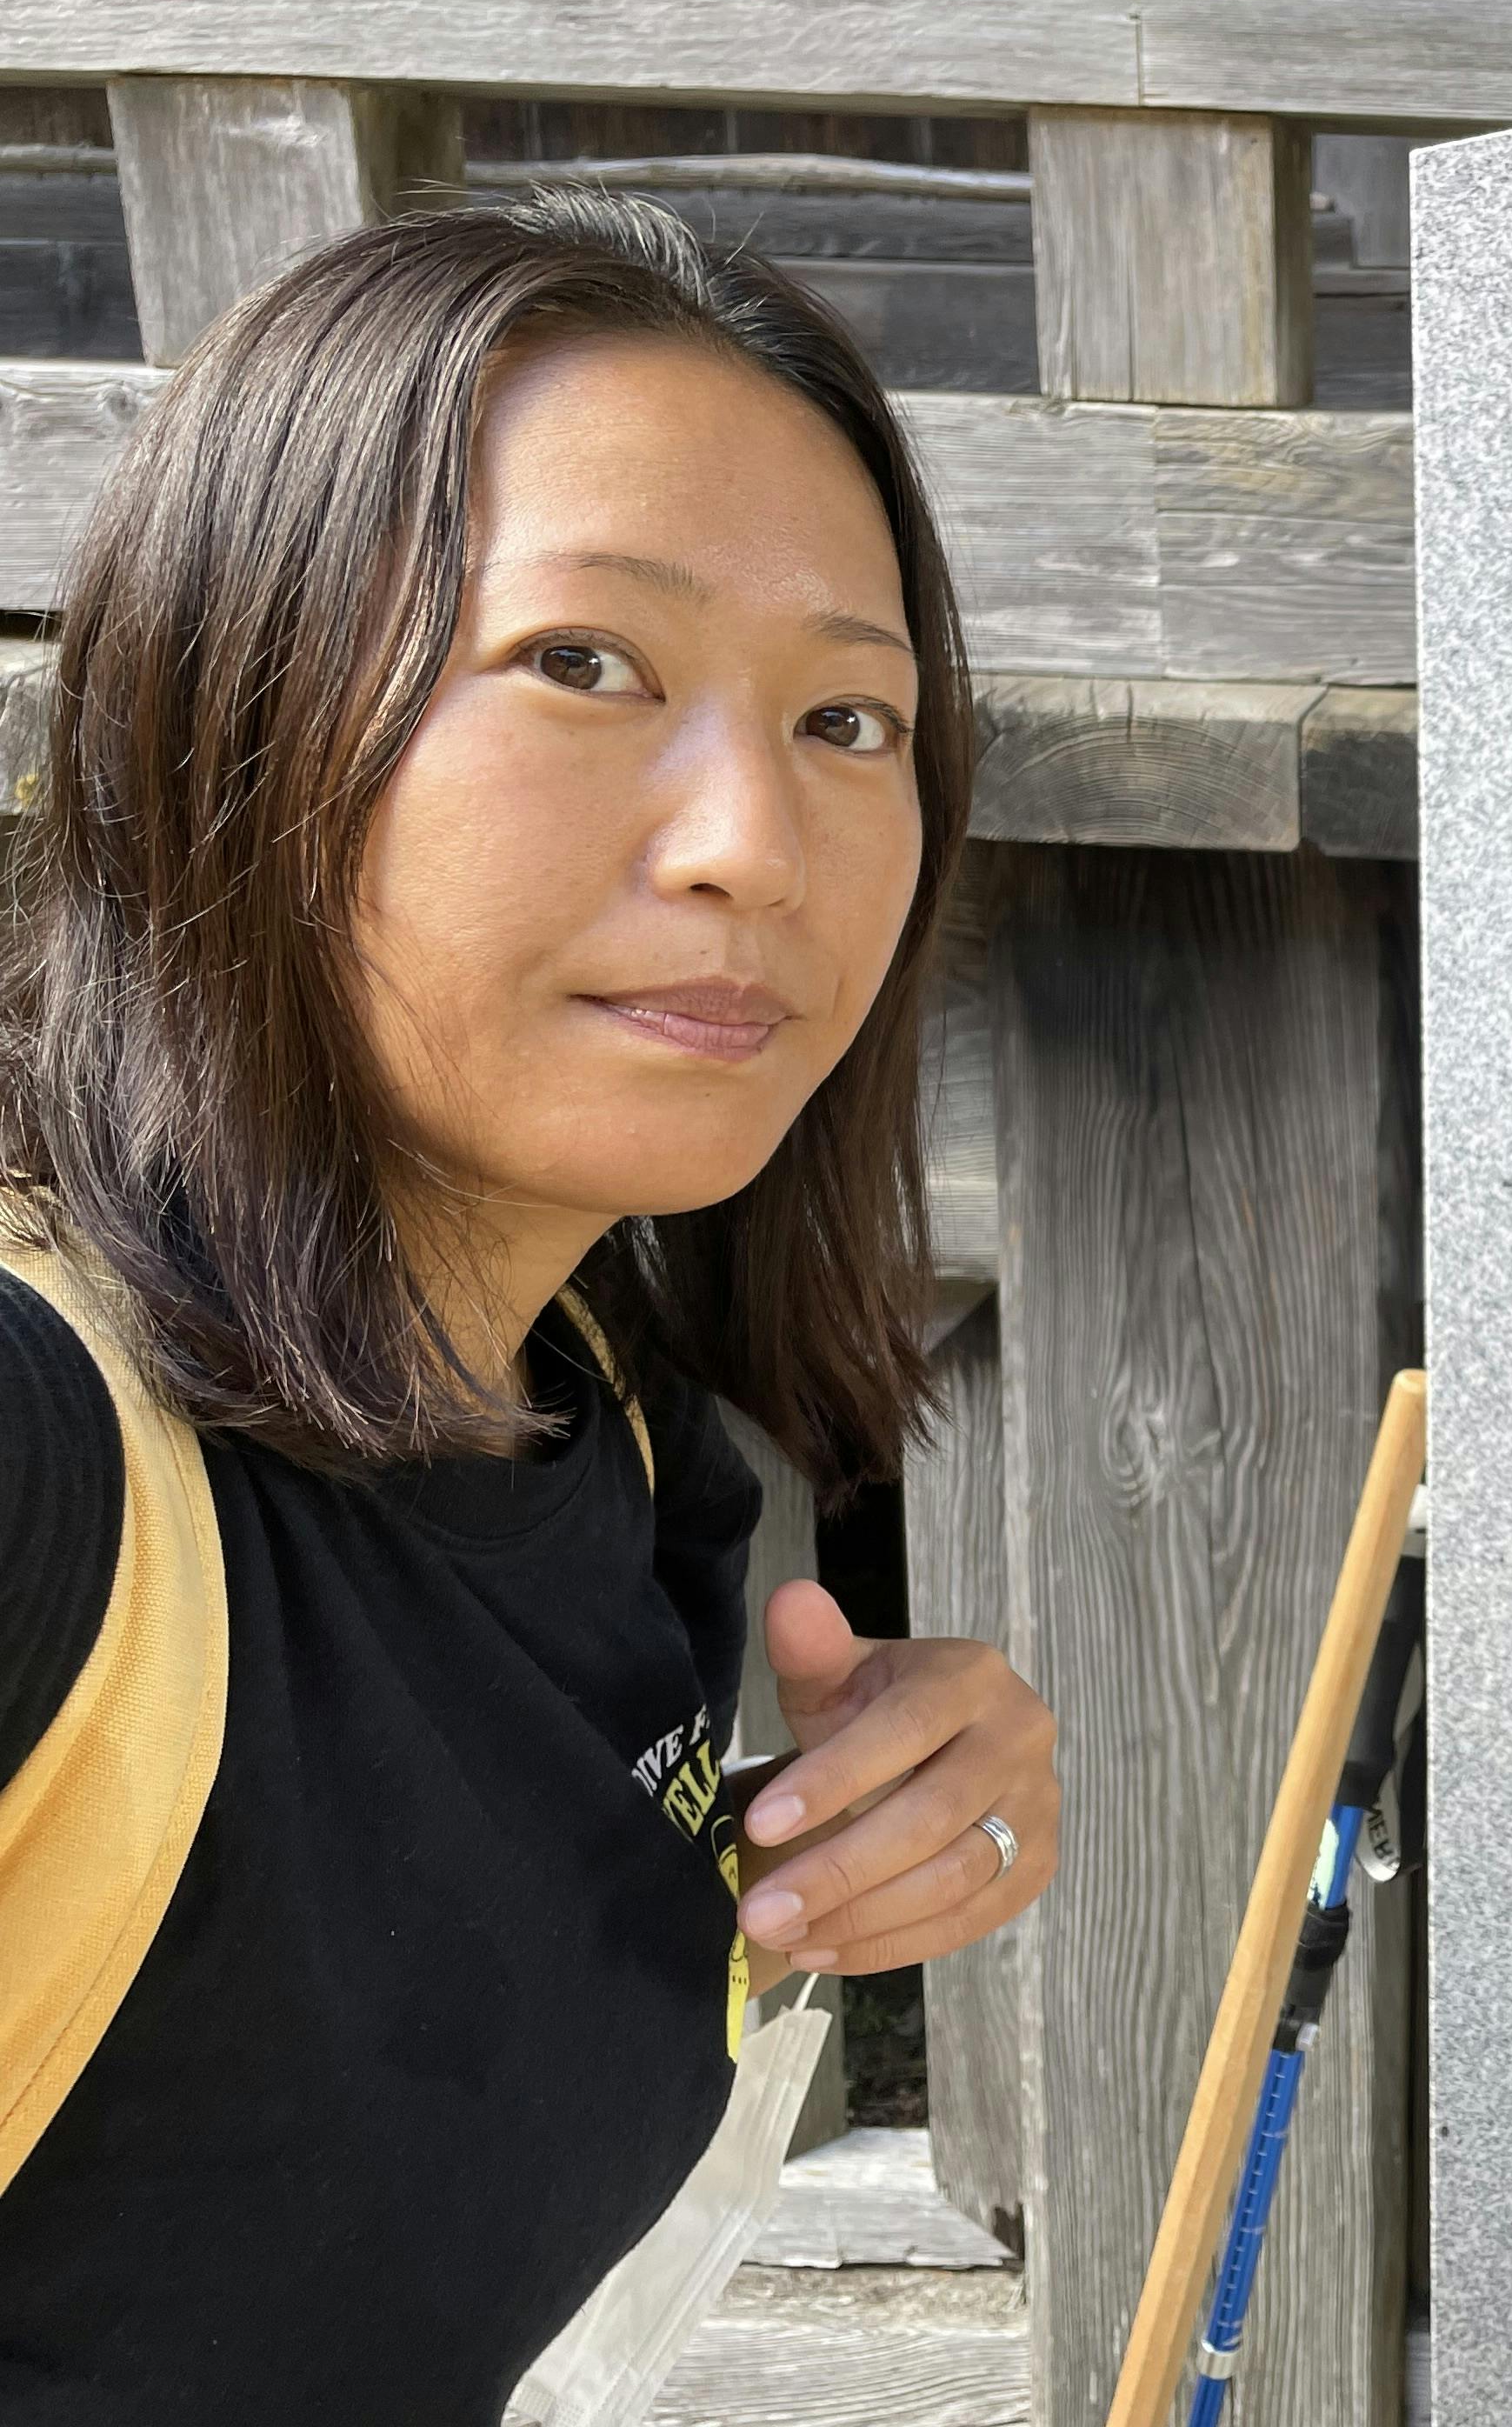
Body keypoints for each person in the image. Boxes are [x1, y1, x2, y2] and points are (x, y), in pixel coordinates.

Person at [0, 188, 1060, 2422]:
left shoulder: (597, 1417)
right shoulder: (45, 1456)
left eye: (849, 719)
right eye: (584, 663)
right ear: (232, 703)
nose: (751, 842)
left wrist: (820, 1838)